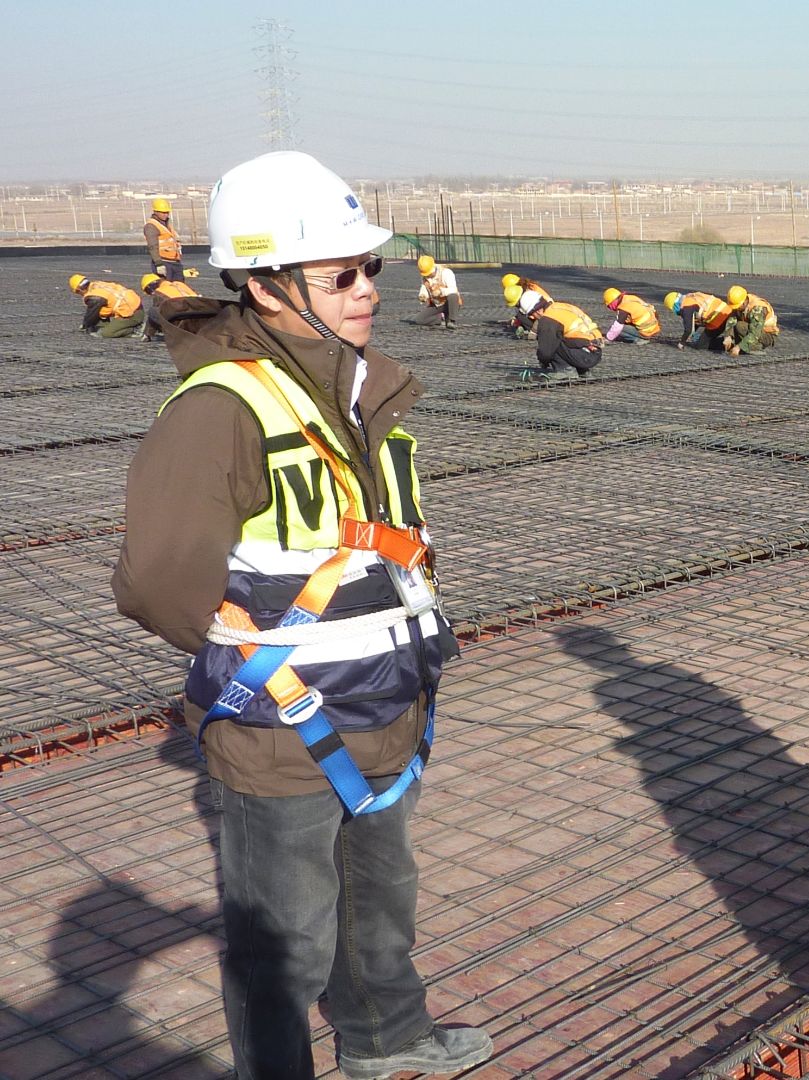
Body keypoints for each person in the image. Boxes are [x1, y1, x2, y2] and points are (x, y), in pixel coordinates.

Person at [110, 150, 491, 1080]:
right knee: (283, 944)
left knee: (380, 906)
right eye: (340, 275)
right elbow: (157, 582)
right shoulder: (221, 409)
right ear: (266, 286)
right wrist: (256, 658)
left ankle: (387, 1039)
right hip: (284, 727)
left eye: (370, 268)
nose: (368, 290)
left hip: (385, 706)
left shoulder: (356, 391)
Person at [509, 285, 602, 377]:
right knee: (565, 339)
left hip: (584, 355)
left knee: (552, 342)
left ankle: (565, 370)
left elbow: (546, 352)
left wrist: (543, 361)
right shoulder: (558, 306)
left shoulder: (548, 320)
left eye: (531, 314)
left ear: (537, 311)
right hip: (594, 351)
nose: (532, 317)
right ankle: (582, 370)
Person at [69, 274, 144, 338]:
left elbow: (91, 314)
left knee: (106, 333)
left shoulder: (93, 296)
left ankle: (136, 330)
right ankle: (115, 326)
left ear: (78, 290)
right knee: (100, 313)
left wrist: (85, 325)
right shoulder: (98, 284)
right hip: (137, 308)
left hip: (131, 315)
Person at [139, 272, 198, 342]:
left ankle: (147, 336)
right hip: (198, 319)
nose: (150, 294)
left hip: (182, 323)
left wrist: (147, 333)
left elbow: (158, 313)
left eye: (148, 291)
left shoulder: (159, 292)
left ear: (150, 287)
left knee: (152, 311)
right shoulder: (179, 284)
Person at [721, 284, 779, 355]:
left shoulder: (757, 309)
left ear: (743, 303)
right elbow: (732, 319)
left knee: (740, 326)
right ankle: (742, 343)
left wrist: (739, 347)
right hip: (751, 329)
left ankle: (757, 346)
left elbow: (755, 332)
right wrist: (728, 336)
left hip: (766, 336)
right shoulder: (742, 301)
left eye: (737, 307)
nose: (736, 309)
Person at [665, 289, 732, 349]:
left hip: (719, 320)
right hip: (728, 312)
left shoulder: (686, 308)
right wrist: (693, 334)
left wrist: (682, 343)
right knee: (703, 338)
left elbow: (688, 330)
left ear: (674, 305)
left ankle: (729, 344)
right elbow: (695, 321)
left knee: (700, 345)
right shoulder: (691, 297)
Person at [415, 255, 460, 329]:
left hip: (449, 304)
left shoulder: (446, 273)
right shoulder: (425, 277)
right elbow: (424, 288)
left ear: (433, 268)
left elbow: (453, 290)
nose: (428, 276)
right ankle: (439, 319)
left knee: (453, 296)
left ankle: (451, 320)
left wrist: (440, 292)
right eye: (426, 274)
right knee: (419, 320)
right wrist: (423, 296)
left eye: (429, 274)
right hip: (437, 305)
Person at [144, 197, 184, 281]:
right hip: (163, 262)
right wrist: (158, 264)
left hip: (175, 262)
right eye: (163, 212)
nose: (166, 215)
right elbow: (152, 246)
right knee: (166, 286)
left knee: (179, 286)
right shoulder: (151, 226)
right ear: (155, 212)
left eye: (167, 212)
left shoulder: (167, 224)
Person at [501, 273, 550, 338]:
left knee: (521, 315)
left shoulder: (528, 295)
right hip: (547, 313)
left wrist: (533, 332)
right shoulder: (528, 287)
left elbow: (541, 315)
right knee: (520, 315)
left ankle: (537, 331)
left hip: (547, 317)